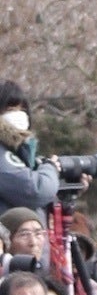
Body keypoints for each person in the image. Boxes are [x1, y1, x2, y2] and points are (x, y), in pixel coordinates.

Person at [0, 81, 60, 218]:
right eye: (10, 110)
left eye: (22, 110)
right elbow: (34, 191)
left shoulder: (18, 150)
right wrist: (50, 168)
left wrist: (66, 188)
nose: (18, 115)